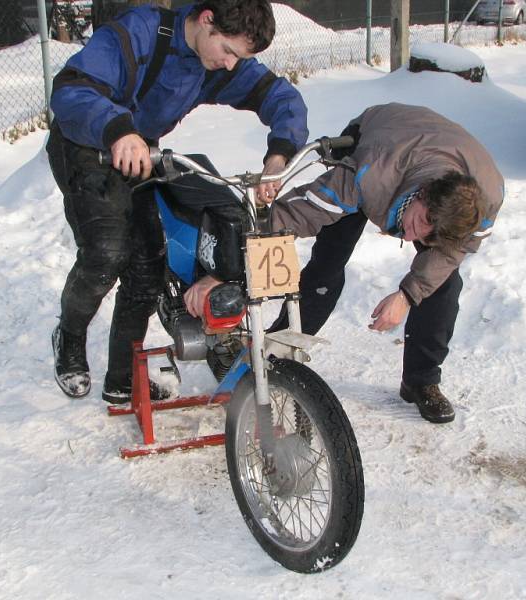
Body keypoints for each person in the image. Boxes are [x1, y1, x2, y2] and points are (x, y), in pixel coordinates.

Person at [46, 0, 309, 403]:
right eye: (229, 52)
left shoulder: (214, 61)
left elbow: (280, 97)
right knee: (106, 252)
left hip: (139, 152)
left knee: (148, 268)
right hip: (86, 142)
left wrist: (279, 152)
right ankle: (70, 334)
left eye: (239, 59)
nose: (229, 66)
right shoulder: (142, 32)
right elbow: (71, 89)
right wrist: (118, 131)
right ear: (207, 21)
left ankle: (122, 379)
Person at [187, 103, 503, 423]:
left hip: (437, 153)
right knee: (328, 264)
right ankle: (274, 356)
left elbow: (447, 255)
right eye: (419, 222)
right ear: (421, 194)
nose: (414, 237)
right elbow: (298, 212)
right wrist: (229, 264)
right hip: (378, 136)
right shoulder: (368, 175)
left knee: (442, 284)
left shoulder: (484, 203)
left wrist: (406, 295)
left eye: (430, 234)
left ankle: (421, 382)